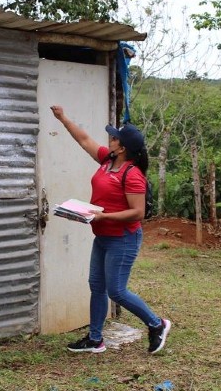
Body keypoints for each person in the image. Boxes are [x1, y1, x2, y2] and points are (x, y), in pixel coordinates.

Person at [50, 105, 171, 354]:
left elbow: (137, 212)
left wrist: (104, 216)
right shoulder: (107, 160)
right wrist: (63, 118)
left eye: (114, 138)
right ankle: (95, 339)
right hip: (103, 236)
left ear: (123, 147)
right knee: (97, 285)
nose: (110, 139)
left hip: (123, 238)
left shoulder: (133, 174)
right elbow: (84, 140)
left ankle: (157, 324)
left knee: (116, 291)